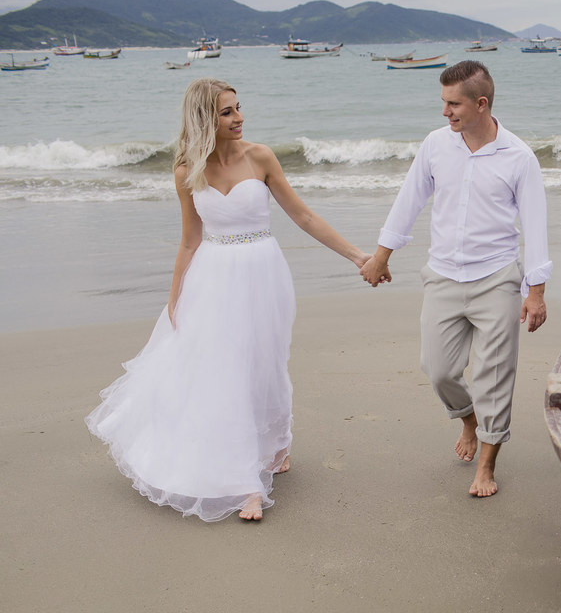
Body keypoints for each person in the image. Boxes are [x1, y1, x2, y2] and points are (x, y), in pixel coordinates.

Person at [86, 78, 368, 522]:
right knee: (227, 372)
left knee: (266, 360)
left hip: (263, 274)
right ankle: (244, 483)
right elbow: (189, 241)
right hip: (212, 280)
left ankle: (276, 444)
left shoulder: (260, 157)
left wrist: (358, 256)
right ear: (204, 119)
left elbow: (304, 215)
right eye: (226, 112)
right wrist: (174, 298)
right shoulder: (186, 170)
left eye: (239, 108)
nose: (238, 118)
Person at [360, 60, 550, 498]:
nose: (445, 112)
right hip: (443, 276)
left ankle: (486, 465)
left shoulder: (519, 157)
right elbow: (409, 201)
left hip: (497, 278)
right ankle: (468, 418)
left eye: (453, 104)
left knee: (494, 375)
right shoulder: (435, 145)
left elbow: (535, 226)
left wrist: (535, 291)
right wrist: (381, 256)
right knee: (438, 368)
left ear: (481, 104)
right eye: (443, 102)